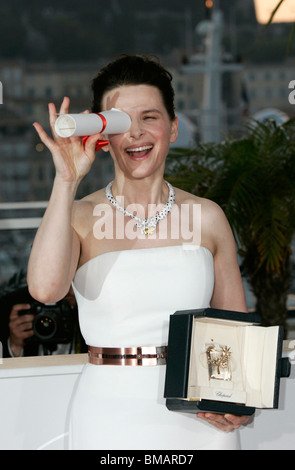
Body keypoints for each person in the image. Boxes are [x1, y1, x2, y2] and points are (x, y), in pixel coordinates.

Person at [27, 54, 250, 450]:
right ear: (102, 135)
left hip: (201, 422)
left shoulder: (208, 217)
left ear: (173, 127)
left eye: (149, 116)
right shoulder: (79, 215)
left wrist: (240, 400)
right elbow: (45, 290)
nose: (136, 133)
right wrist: (66, 181)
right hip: (109, 416)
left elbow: (232, 327)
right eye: (121, 121)